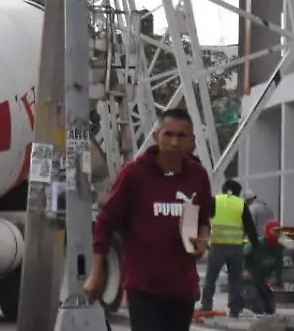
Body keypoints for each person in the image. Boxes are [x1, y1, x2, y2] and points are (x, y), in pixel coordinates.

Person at [86, 108, 213, 331]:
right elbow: (105, 222)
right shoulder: (135, 174)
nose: (174, 143)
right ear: (156, 137)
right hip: (144, 289)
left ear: (192, 140)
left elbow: (204, 218)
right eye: (168, 134)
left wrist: (201, 240)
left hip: (182, 290)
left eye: (181, 136)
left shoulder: (198, 175)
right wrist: (97, 274)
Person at [198, 179, 261, 317]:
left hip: (217, 246)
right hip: (235, 248)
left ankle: (206, 305)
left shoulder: (216, 201)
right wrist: (256, 247)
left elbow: (201, 217)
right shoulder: (241, 204)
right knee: (235, 280)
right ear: (238, 192)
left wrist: (202, 237)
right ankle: (234, 308)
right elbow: (250, 227)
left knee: (211, 277)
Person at [242, 219, 285, 314]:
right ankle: (241, 301)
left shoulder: (278, 248)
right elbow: (241, 256)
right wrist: (244, 270)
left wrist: (275, 277)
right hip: (250, 281)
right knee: (258, 308)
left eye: (279, 231)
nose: (278, 234)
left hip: (262, 282)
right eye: (275, 231)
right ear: (268, 231)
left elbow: (279, 266)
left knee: (270, 309)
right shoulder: (257, 244)